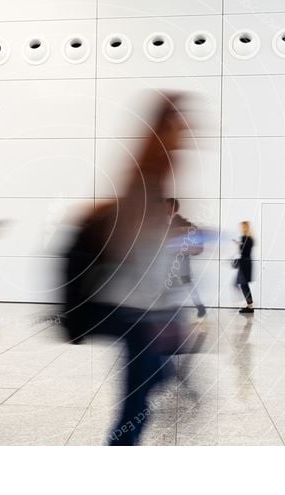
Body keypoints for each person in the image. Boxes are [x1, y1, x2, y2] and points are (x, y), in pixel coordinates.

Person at [91, 92, 189, 445]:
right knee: (136, 406)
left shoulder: (155, 180)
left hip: (147, 313)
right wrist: (161, 314)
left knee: (143, 396)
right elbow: (131, 250)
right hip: (138, 314)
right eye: (179, 126)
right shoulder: (143, 181)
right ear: (162, 129)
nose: (186, 136)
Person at [164, 198, 207, 318]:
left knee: (186, 282)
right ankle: (198, 307)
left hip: (180, 259)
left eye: (166, 206)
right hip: (171, 259)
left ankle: (200, 307)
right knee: (177, 283)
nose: (164, 209)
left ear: (172, 207)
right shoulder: (169, 222)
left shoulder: (180, 222)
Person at [235, 221, 254, 314]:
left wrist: (239, 245)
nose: (241, 229)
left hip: (244, 264)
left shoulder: (245, 238)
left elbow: (243, 252)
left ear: (245, 228)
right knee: (244, 284)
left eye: (242, 227)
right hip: (247, 263)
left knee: (243, 284)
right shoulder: (250, 238)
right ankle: (249, 305)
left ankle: (249, 306)